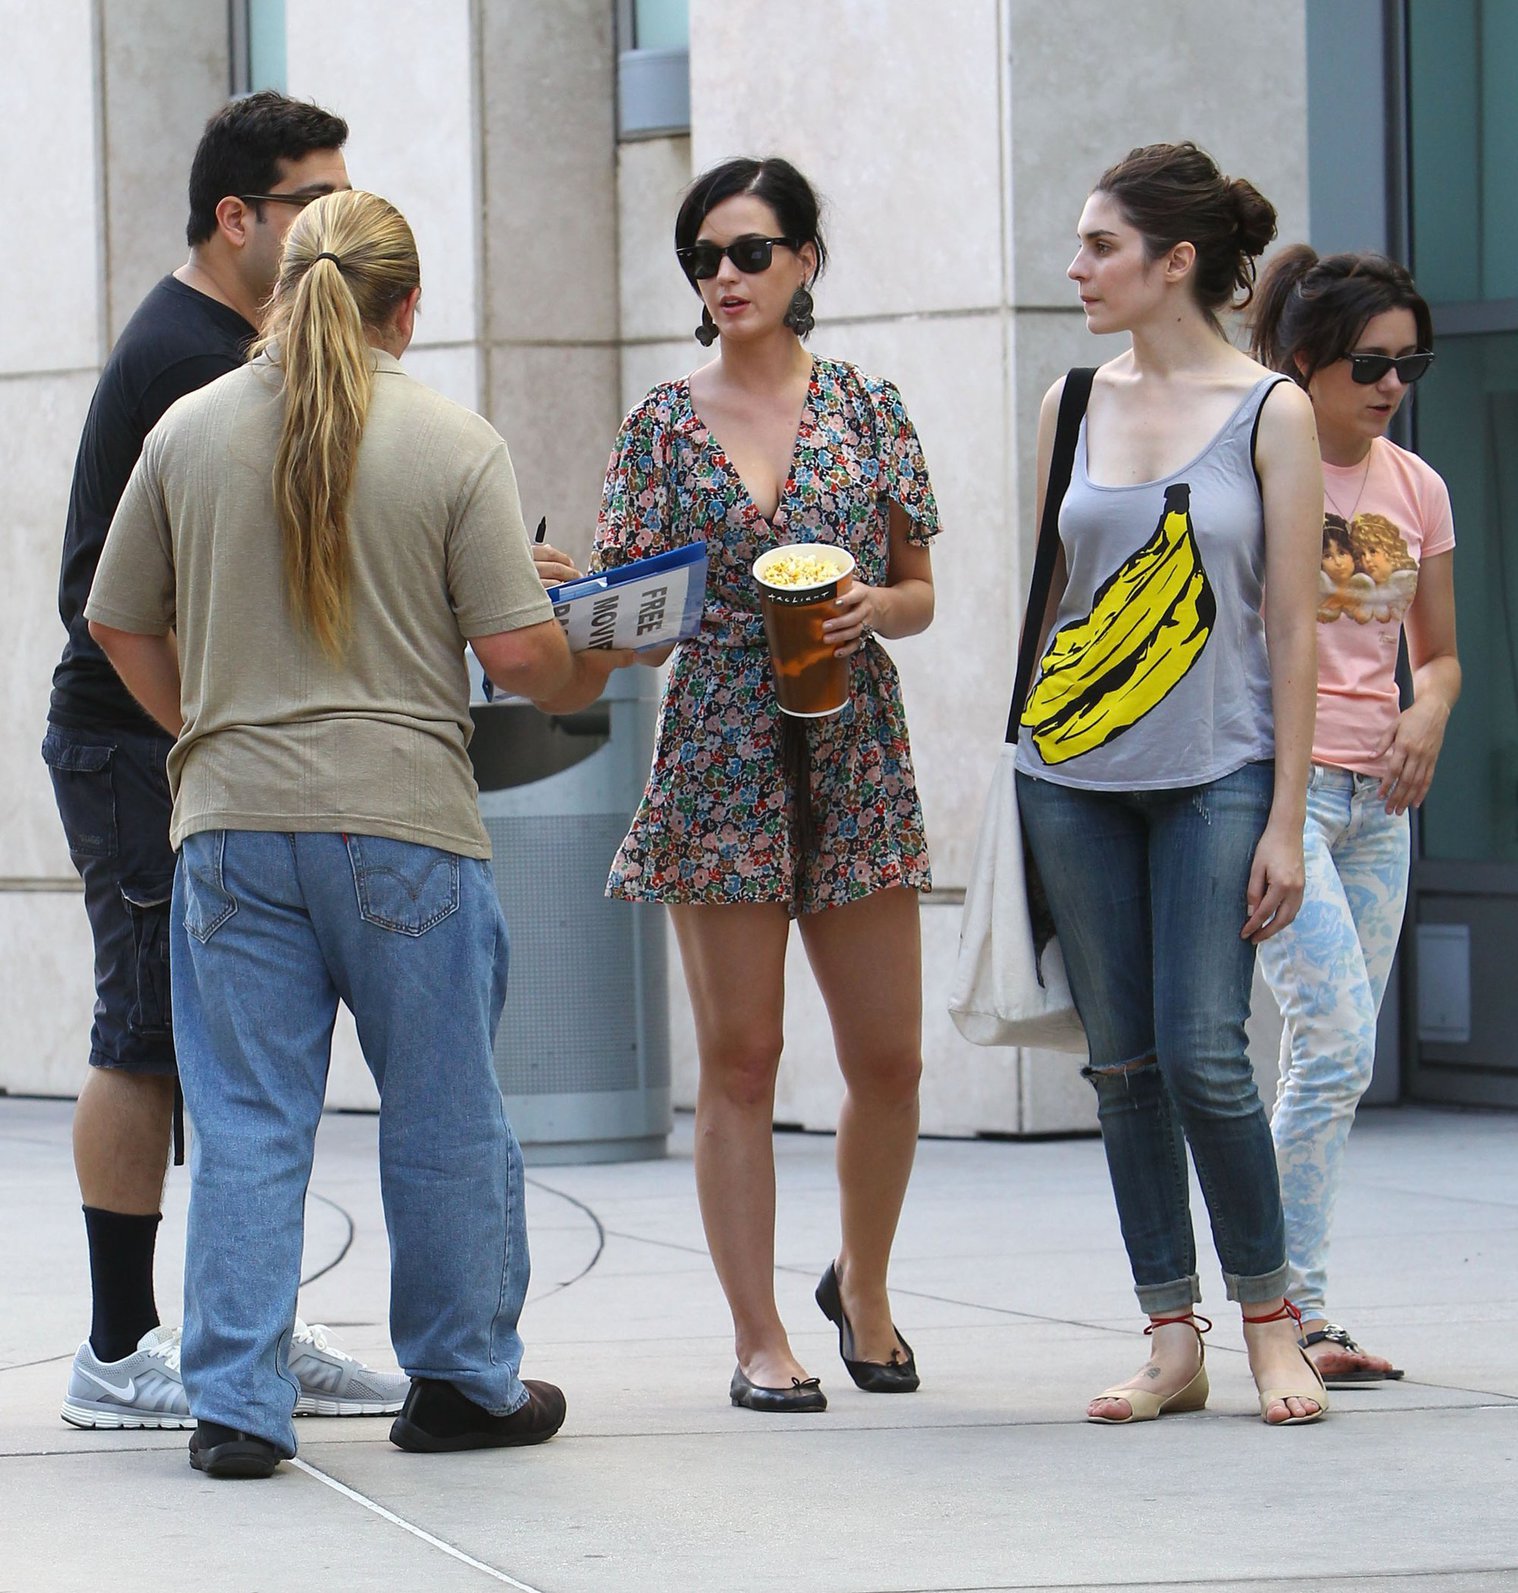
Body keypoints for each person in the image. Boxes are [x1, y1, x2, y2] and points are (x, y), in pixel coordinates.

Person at [86, 189, 635, 1477]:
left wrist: (204, 725)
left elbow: (116, 619)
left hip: (231, 824)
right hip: (404, 825)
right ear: (410, 308)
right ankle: (459, 1384)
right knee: (443, 1113)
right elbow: (522, 660)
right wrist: (604, 653)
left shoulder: (187, 431)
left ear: (280, 287)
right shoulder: (453, 444)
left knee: (248, 1121)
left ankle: (236, 1404)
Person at [539, 156, 939, 1412]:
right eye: (704, 257)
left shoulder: (869, 409)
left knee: (890, 1060)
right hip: (718, 748)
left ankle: (862, 1285)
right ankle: (760, 1337)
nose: (725, 275)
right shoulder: (661, 424)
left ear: (805, 260)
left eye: (750, 251)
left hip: (853, 740)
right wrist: (577, 603)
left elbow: (919, 588)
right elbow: (634, 625)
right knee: (743, 1060)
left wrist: (878, 608)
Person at [41, 90, 407, 1431]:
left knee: (237, 1055)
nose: (335, 222)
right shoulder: (185, 360)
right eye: (316, 200)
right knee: (143, 1040)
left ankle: (239, 1330)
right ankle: (116, 1348)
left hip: (199, 752)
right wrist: (203, 729)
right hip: (139, 749)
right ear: (237, 217)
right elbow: (103, 598)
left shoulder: (242, 346)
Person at [1014, 142, 1328, 1425]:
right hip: (1070, 776)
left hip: (1219, 770)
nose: (1077, 267)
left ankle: (1272, 1320)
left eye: (1101, 246)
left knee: (1206, 1055)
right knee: (1123, 1066)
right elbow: (1051, 600)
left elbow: (1296, 625)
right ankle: (1169, 1339)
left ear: (1175, 260)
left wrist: (1288, 818)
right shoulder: (1071, 402)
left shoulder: (1273, 412)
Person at [1249, 247, 1459, 1384]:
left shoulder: (1416, 487)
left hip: (1382, 805)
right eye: (1370, 364)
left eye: (1409, 364)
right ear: (1303, 364)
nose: (1391, 386)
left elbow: (1443, 654)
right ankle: (1280, 1311)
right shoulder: (1256, 474)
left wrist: (1429, 708)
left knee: (1333, 1058)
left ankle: (1304, 1308)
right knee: (1332, 1043)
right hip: (1283, 793)